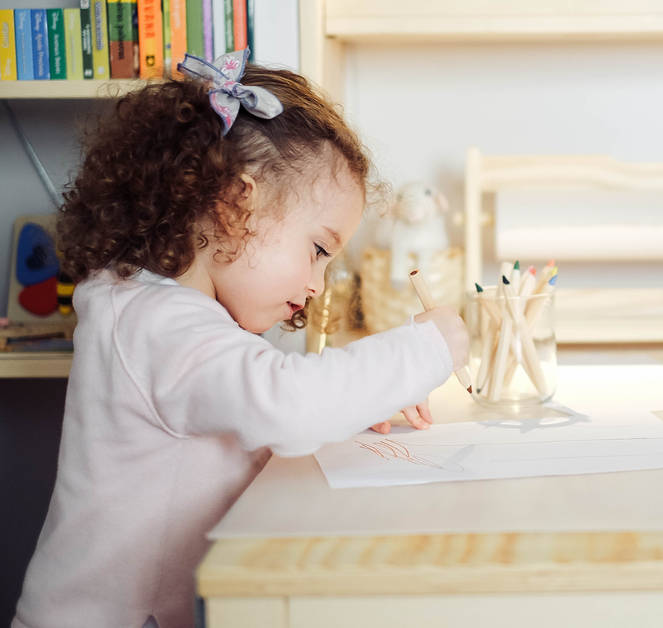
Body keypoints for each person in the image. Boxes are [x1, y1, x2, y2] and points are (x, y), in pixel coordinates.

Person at [12, 50, 468, 628]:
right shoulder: (156, 322)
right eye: (319, 250)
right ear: (234, 207)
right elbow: (285, 405)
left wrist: (363, 400)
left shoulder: (171, 310)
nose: (317, 283)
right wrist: (427, 348)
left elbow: (245, 412)